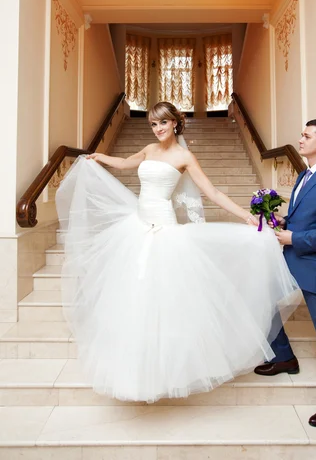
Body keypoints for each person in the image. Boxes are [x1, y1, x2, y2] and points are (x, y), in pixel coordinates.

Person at [56, 101, 300, 403]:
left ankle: (169, 368)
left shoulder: (184, 156)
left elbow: (213, 192)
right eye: (153, 124)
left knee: (167, 301)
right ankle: (135, 368)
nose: (158, 129)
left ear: (175, 123)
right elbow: (123, 163)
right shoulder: (148, 149)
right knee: (133, 300)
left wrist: (247, 217)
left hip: (165, 232)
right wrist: (98, 156)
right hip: (136, 227)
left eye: (162, 123)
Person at [254, 119, 316, 428]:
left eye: (306, 136)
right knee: (263, 302)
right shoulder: (304, 175)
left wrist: (295, 238)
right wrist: (283, 222)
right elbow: (307, 220)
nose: (300, 139)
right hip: (293, 260)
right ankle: (283, 357)